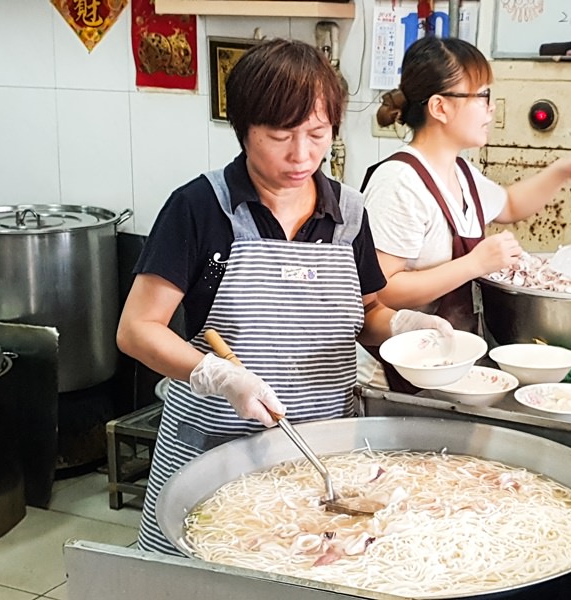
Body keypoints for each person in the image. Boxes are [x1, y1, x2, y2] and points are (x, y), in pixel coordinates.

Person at [116, 38, 452, 555]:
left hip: (319, 457)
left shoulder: (350, 214)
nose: (302, 155)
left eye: (318, 134)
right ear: (244, 130)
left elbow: (366, 313)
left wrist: (406, 329)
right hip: (216, 452)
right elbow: (137, 329)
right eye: (280, 136)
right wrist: (219, 375)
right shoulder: (201, 208)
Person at [358, 35, 571, 392]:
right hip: (396, 372)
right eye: (481, 96)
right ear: (440, 107)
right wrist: (474, 264)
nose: (491, 108)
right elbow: (382, 288)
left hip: (443, 361)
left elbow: (512, 204)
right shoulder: (400, 182)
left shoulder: (461, 171)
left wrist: (560, 172)